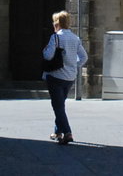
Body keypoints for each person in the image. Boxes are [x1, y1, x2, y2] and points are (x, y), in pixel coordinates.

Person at [42, 10, 88, 145]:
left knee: (58, 106)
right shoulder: (75, 38)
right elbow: (84, 57)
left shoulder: (55, 37)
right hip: (69, 77)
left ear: (57, 23)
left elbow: (48, 56)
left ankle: (67, 132)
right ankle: (57, 132)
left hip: (55, 75)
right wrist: (74, 65)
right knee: (60, 104)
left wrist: (44, 51)